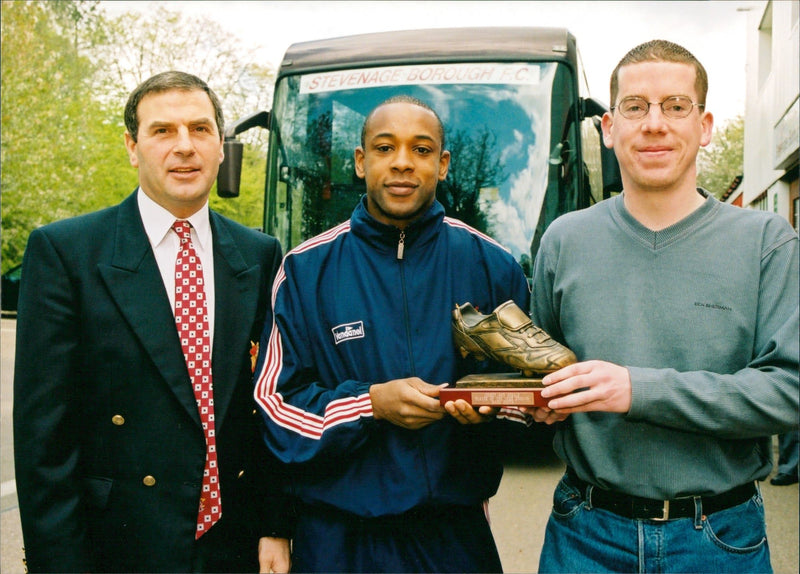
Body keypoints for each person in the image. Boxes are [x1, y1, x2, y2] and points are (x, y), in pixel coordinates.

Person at [528, 40, 799, 573]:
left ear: (705, 126)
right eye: (635, 107)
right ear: (609, 129)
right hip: (584, 535)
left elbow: (789, 391)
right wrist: (535, 406)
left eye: (676, 106)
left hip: (720, 538)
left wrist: (637, 389)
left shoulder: (767, 240)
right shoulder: (563, 240)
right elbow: (542, 374)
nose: (655, 123)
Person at [13, 71, 292, 573]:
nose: (185, 147)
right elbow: (44, 441)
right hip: (118, 545)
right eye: (163, 131)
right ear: (132, 146)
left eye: (200, 129)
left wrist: (276, 524)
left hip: (235, 546)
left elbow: (270, 407)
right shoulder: (67, 253)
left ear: (222, 147)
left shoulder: (259, 254)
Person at [252, 95, 531, 573]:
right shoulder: (304, 271)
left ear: (443, 165)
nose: (403, 163)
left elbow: (530, 398)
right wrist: (371, 404)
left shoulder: (493, 266)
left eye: (422, 150)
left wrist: (490, 409)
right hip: (338, 539)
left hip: (453, 538)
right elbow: (275, 410)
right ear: (361, 162)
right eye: (385, 148)